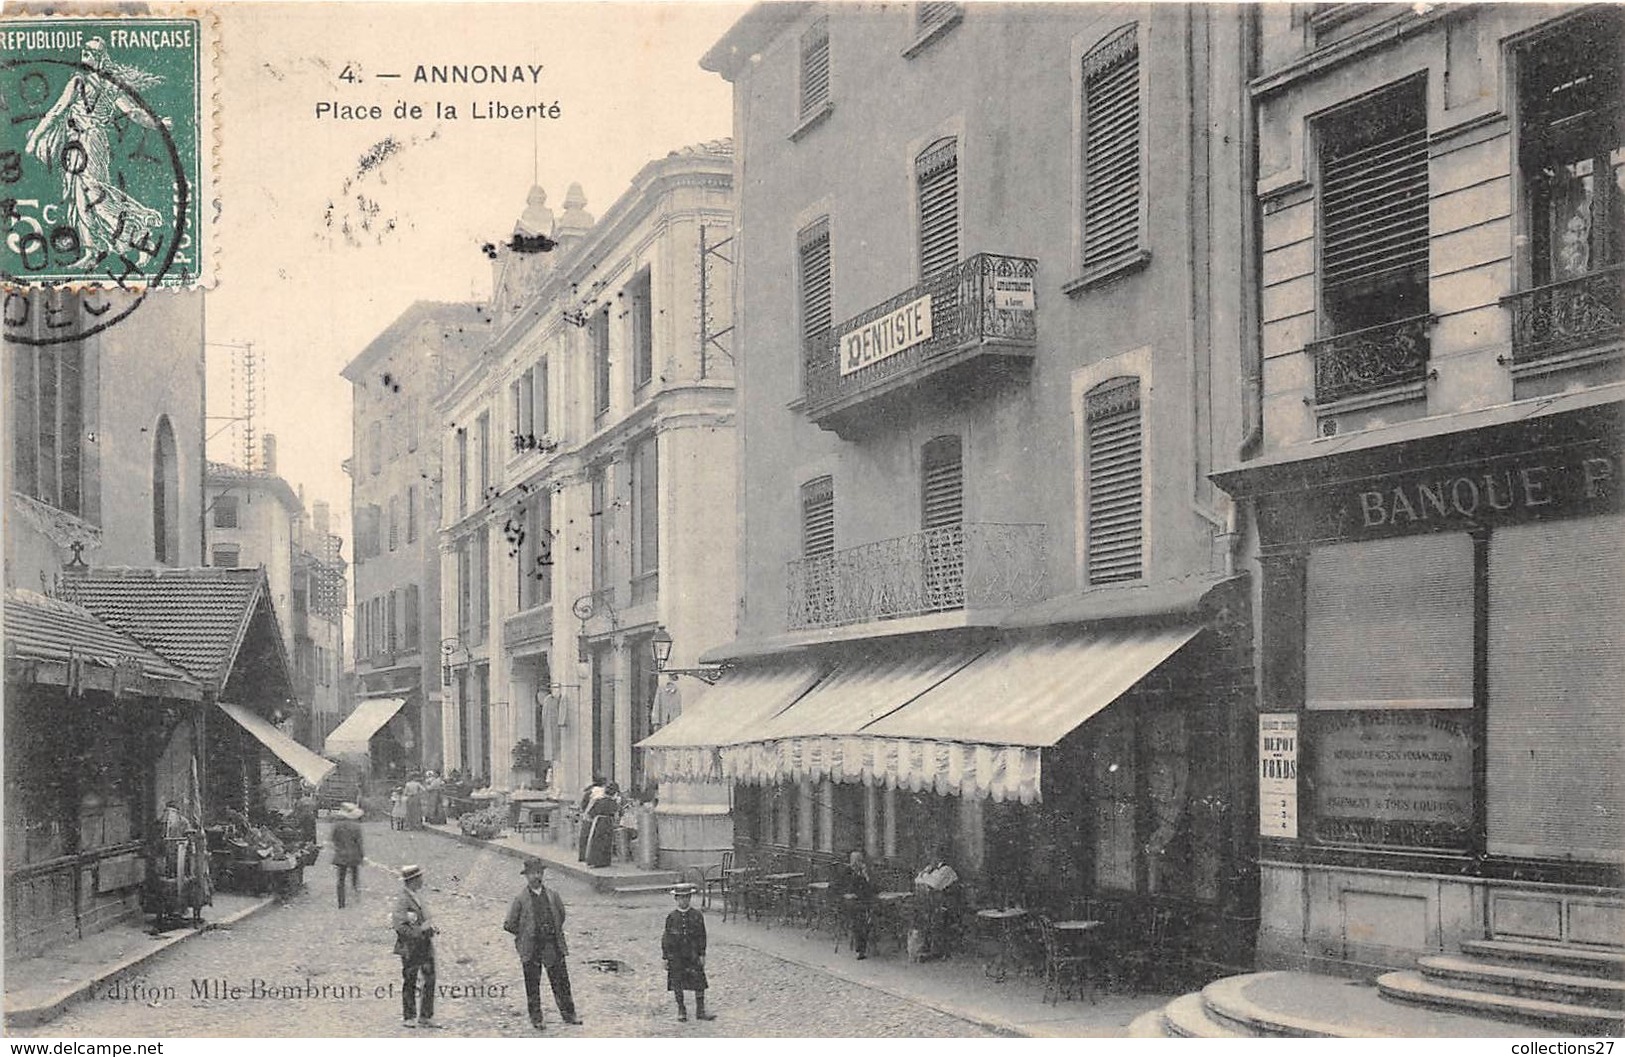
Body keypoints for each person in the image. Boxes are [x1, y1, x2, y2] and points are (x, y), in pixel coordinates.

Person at [23, 37, 169, 269]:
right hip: (75, 143)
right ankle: (93, 250)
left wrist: (158, 123)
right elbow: (56, 112)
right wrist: (36, 138)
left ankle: (141, 236)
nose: (85, 55)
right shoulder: (81, 82)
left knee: (95, 196)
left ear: (101, 58)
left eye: (90, 52)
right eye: (84, 52)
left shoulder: (105, 85)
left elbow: (133, 113)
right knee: (80, 199)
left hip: (90, 143)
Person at [502, 859, 581, 1031]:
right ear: (526, 876)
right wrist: (525, 935)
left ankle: (569, 1014)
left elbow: (561, 915)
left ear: (542, 874)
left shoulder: (552, 895)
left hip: (552, 944)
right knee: (532, 984)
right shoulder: (520, 899)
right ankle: (536, 1018)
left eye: (539, 873)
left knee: (561, 981)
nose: (536, 877)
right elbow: (509, 924)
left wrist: (552, 931)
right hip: (532, 948)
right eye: (532, 873)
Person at [391, 864, 440, 1029]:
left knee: (430, 979)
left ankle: (426, 1016)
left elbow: (423, 918)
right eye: (420, 878)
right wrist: (420, 930)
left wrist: (431, 927)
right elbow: (399, 926)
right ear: (412, 880)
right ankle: (409, 1016)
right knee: (410, 980)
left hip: (425, 945)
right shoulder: (402, 900)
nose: (422, 881)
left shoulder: (417, 896)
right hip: (410, 947)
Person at [662, 883, 715, 1022]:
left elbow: (702, 936)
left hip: (692, 953)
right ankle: (681, 1009)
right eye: (680, 898)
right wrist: (666, 957)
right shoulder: (671, 917)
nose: (683, 901)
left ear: (690, 898)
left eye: (686, 898)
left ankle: (700, 1010)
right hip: (677, 955)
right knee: (677, 982)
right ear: (676, 899)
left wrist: (702, 954)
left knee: (699, 981)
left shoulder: (696, 915)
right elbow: (666, 937)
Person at [913, 849, 963, 960]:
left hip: (950, 905)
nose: (929, 860)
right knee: (924, 915)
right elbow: (917, 880)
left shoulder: (946, 870)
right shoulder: (931, 869)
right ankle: (926, 946)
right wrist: (926, 876)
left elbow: (935, 884)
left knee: (935, 916)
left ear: (938, 858)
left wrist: (925, 876)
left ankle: (937, 950)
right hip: (935, 903)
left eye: (931, 857)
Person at [839, 850, 878, 960]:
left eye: (859, 861)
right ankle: (861, 949)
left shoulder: (866, 872)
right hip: (849, 903)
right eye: (854, 861)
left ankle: (866, 946)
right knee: (859, 919)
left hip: (864, 902)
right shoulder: (846, 871)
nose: (856, 863)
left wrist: (866, 876)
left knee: (866, 918)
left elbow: (874, 889)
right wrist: (846, 894)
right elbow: (838, 887)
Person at [330, 802, 364, 908]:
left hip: (341, 854)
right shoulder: (356, 826)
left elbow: (333, 839)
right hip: (354, 854)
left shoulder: (337, 826)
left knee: (341, 879)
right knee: (354, 875)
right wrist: (361, 855)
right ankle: (356, 896)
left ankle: (341, 902)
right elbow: (359, 842)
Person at [583, 782, 619, 868]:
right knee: (607, 841)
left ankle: (595, 861)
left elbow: (591, 813)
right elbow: (616, 813)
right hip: (609, 822)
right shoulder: (613, 802)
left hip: (599, 822)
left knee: (597, 841)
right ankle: (605, 861)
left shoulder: (599, 801)